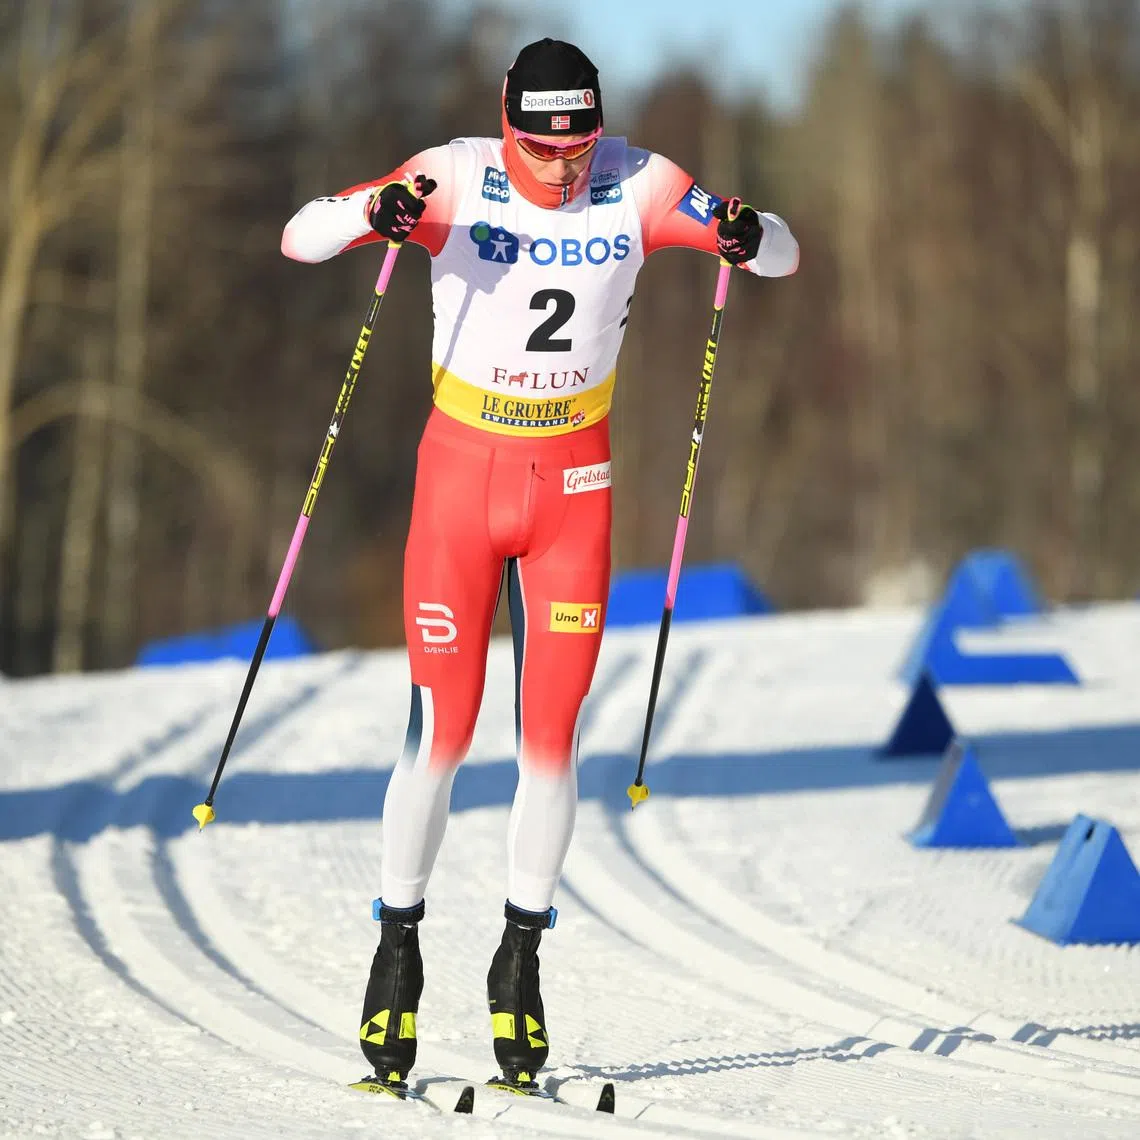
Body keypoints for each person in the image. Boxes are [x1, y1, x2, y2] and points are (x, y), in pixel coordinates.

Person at [281, 37, 798, 1091]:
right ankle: (398, 944)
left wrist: (748, 233)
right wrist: (367, 217)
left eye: (577, 149)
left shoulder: (639, 184)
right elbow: (301, 236)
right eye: (539, 149)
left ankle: (520, 956)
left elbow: (779, 250)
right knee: (442, 732)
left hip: (575, 493)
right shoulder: (455, 174)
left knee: (552, 743)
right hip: (460, 485)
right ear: (506, 124)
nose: (561, 171)